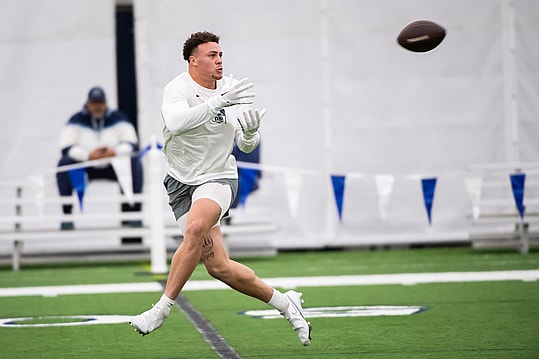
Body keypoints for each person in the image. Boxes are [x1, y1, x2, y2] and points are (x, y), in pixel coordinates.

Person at [129, 31, 312, 346]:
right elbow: (176, 123)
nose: (219, 60)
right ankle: (285, 303)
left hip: (218, 176)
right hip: (180, 181)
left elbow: (244, 142)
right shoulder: (177, 89)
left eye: (221, 55)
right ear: (193, 60)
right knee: (218, 267)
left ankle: (161, 309)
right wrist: (218, 102)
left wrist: (252, 132)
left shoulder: (231, 88)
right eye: (212, 55)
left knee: (196, 228)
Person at [56, 86, 143, 230]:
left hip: (113, 165)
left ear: (106, 103)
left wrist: (114, 152)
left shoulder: (119, 118)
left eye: (100, 103)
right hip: (85, 166)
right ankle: (67, 215)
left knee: (134, 163)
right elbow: (66, 147)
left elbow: (132, 143)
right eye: (94, 103)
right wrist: (87, 155)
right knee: (64, 164)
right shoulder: (76, 120)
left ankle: (135, 212)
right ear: (87, 103)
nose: (97, 107)